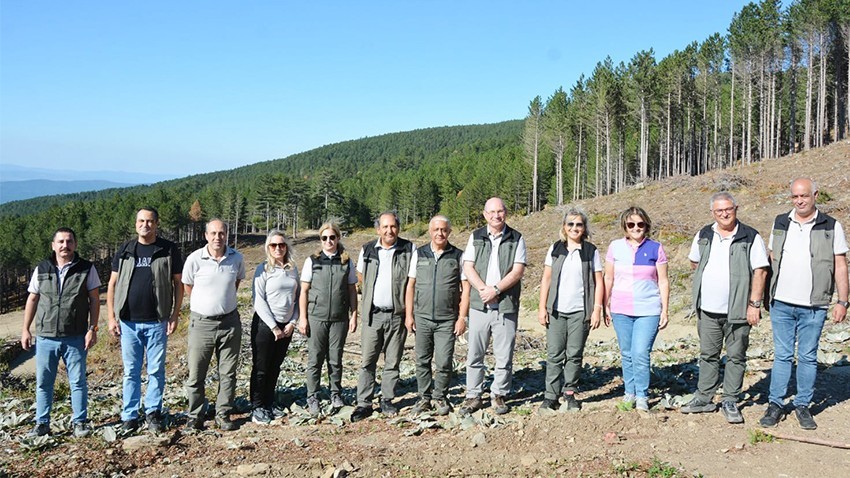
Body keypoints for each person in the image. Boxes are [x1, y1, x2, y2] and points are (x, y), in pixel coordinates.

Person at [760, 178, 849, 430]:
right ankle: (775, 404)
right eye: (795, 197)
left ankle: (802, 405)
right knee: (783, 356)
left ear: (815, 195)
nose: (799, 201)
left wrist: (843, 301)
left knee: (808, 357)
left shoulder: (831, 226)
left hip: (814, 304)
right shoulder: (780, 222)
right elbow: (770, 258)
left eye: (804, 196)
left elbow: (840, 264)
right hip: (781, 303)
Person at [680, 192, 769, 424]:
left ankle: (730, 399)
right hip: (708, 310)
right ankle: (704, 398)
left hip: (739, 310)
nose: (724, 214)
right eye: (719, 211)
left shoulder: (750, 236)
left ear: (736, 208)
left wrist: (754, 304)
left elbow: (761, 271)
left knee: (736, 356)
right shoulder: (704, 234)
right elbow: (694, 262)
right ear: (713, 213)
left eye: (728, 209)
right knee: (708, 355)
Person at [107, 207, 183, 433]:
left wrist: (175, 314)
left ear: (157, 224)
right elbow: (112, 284)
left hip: (157, 321)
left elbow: (178, 284)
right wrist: (111, 317)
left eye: (150, 221)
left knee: (156, 370)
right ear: (135, 223)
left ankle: (152, 412)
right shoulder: (126, 249)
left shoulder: (168, 249)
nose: (145, 225)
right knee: (131, 371)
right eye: (141, 221)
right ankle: (129, 415)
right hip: (128, 322)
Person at [21, 227, 100, 437]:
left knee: (78, 382)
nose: (65, 245)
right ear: (53, 245)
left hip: (76, 336)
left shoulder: (86, 268)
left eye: (69, 241)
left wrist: (92, 328)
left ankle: (80, 422)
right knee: (44, 383)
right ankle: (42, 423)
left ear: (75, 244)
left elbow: (94, 299)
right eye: (61, 242)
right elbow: (33, 299)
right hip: (46, 337)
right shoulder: (42, 268)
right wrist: (25, 329)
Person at [459, 197, 527, 416]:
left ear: (505, 212)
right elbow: (468, 267)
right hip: (479, 306)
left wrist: (496, 290)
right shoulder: (475, 237)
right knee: (475, 353)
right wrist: (483, 290)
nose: (496, 215)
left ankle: (498, 394)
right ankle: (473, 395)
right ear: (484, 214)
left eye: (500, 211)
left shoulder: (517, 238)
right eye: (492, 212)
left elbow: (517, 271)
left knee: (504, 354)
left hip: (505, 305)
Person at [537, 208, 604, 413]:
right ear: (564, 228)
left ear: (584, 228)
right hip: (556, 310)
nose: (575, 228)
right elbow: (546, 279)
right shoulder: (555, 249)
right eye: (571, 224)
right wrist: (542, 307)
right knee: (554, 354)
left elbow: (599, 282)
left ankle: (570, 392)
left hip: (580, 311)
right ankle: (550, 396)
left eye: (579, 224)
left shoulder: (591, 251)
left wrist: (597, 309)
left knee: (574, 354)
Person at [351, 212, 416, 422]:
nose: (389, 231)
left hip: (397, 315)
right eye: (385, 227)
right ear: (378, 229)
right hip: (373, 315)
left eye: (393, 227)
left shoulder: (408, 249)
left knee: (392, 361)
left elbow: (412, 282)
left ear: (398, 228)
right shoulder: (367, 249)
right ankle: (364, 403)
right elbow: (360, 277)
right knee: (367, 361)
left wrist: (409, 314)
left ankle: (387, 400)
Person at [182, 219, 246, 431]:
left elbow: (235, 284)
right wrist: (206, 306)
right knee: (196, 373)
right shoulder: (194, 259)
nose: (217, 237)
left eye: (221, 233)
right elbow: (188, 286)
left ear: (226, 234)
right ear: (205, 235)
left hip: (230, 323)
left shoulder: (236, 258)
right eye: (213, 233)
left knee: (228, 373)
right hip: (202, 325)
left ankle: (223, 413)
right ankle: (195, 415)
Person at [604, 206, 669, 412]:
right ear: (625, 226)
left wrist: (665, 310)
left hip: (648, 309)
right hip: (620, 308)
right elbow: (608, 278)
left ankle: (642, 395)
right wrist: (605, 304)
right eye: (631, 224)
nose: (636, 228)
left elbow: (664, 281)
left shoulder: (656, 248)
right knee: (627, 353)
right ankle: (629, 392)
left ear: (646, 225)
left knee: (640, 352)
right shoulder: (615, 247)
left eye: (640, 224)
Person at [405, 215, 470, 416]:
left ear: (449, 232)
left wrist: (462, 318)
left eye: (443, 230)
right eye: (436, 230)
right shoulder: (419, 254)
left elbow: (466, 289)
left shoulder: (458, 255)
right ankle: (424, 397)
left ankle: (440, 396)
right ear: (430, 231)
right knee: (422, 360)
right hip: (422, 318)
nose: (440, 233)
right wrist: (409, 315)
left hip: (447, 320)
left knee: (443, 361)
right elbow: (411, 286)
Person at [298, 222, 358, 418]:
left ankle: (335, 394)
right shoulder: (312, 261)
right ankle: (312, 396)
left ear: (338, 238)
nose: (328, 241)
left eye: (332, 237)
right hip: (316, 318)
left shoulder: (346, 261)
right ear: (320, 240)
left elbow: (351, 290)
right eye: (324, 238)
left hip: (339, 319)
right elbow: (304, 291)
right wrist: (303, 318)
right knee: (315, 360)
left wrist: (354, 315)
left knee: (335, 360)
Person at [250, 230, 299, 425]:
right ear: (267, 248)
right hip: (265, 325)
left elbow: (296, 299)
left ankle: (269, 403)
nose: (278, 248)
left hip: (286, 326)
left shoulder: (293, 269)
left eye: (281, 245)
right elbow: (258, 300)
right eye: (273, 245)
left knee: (275, 367)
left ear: (286, 247)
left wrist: (292, 322)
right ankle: (257, 406)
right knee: (261, 368)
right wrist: (273, 327)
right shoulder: (263, 270)